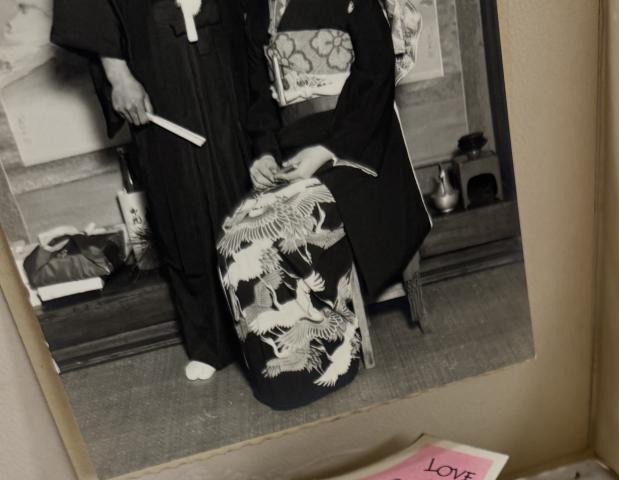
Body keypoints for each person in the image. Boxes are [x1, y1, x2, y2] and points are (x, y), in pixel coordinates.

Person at [216, 0, 431, 408]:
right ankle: (278, 375)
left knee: (296, 222)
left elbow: (377, 73)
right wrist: (264, 153)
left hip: (357, 146)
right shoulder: (258, 8)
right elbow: (258, 96)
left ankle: (330, 356)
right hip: (292, 152)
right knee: (238, 236)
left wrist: (329, 149)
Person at [51, 0, 279, 381]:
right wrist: (118, 76)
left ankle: (269, 327)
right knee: (180, 196)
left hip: (222, 42)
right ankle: (209, 341)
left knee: (244, 178)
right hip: (155, 52)